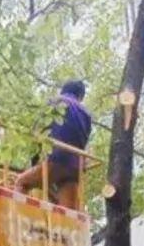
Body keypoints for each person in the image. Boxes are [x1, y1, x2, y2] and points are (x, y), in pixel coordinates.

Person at [14, 80, 92, 210]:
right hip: (76, 167)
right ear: (80, 96)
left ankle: (17, 221)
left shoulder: (54, 102)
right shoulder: (86, 114)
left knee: (22, 183)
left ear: (63, 90)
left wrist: (34, 164)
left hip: (56, 159)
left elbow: (38, 133)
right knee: (68, 210)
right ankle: (65, 228)